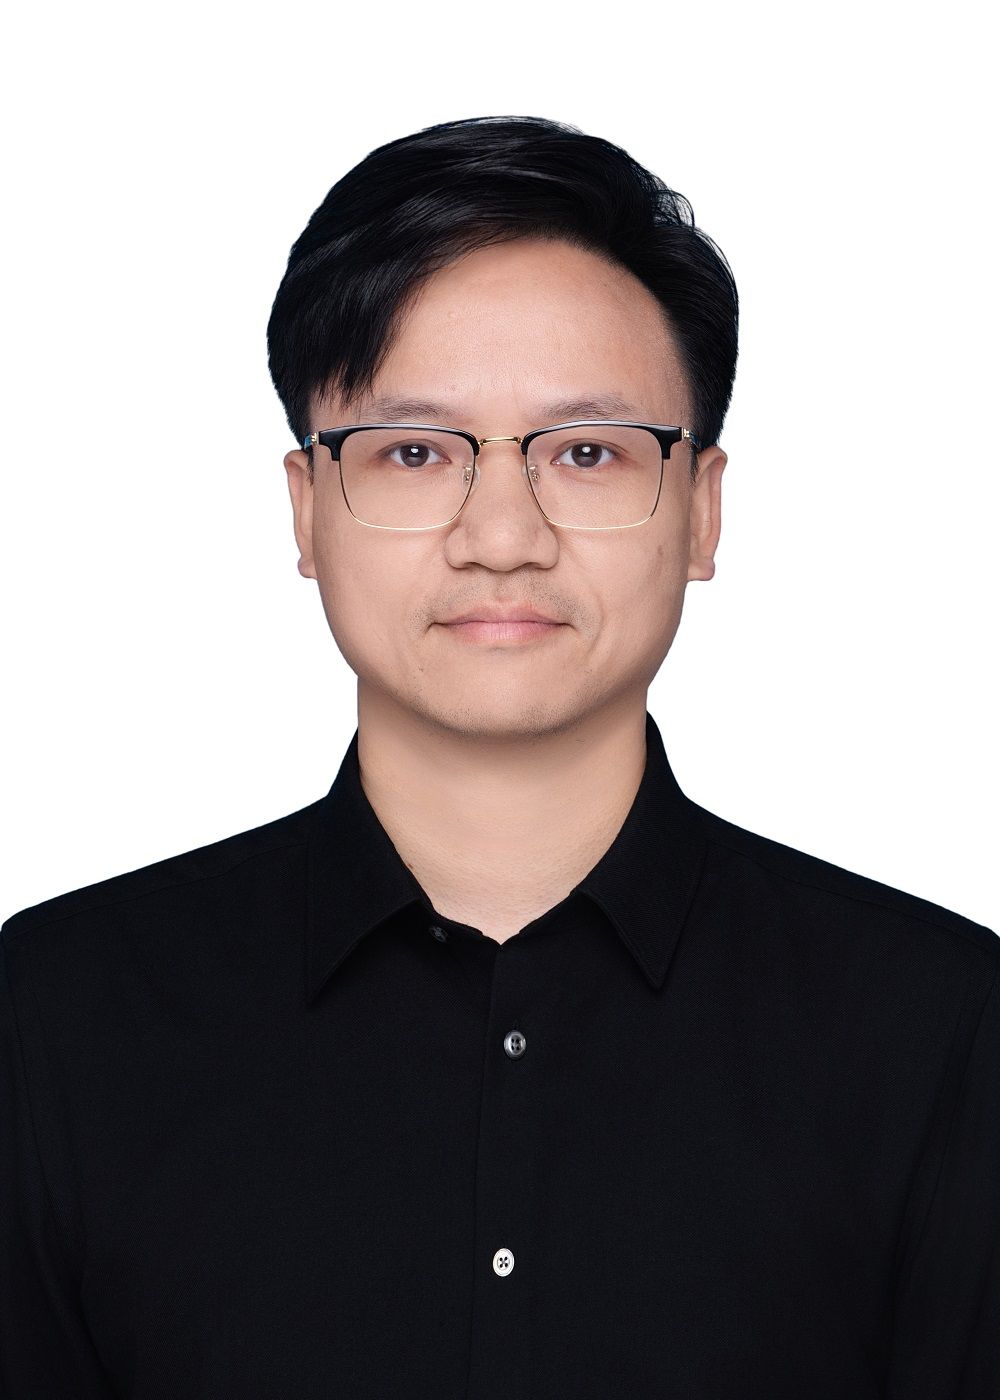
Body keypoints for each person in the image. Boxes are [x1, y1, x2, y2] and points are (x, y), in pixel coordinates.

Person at [1, 114, 996, 1399]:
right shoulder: (58, 1019)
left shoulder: (938, 1030)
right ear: (307, 509)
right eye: (416, 452)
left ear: (701, 510)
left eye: (586, 452)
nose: (502, 534)